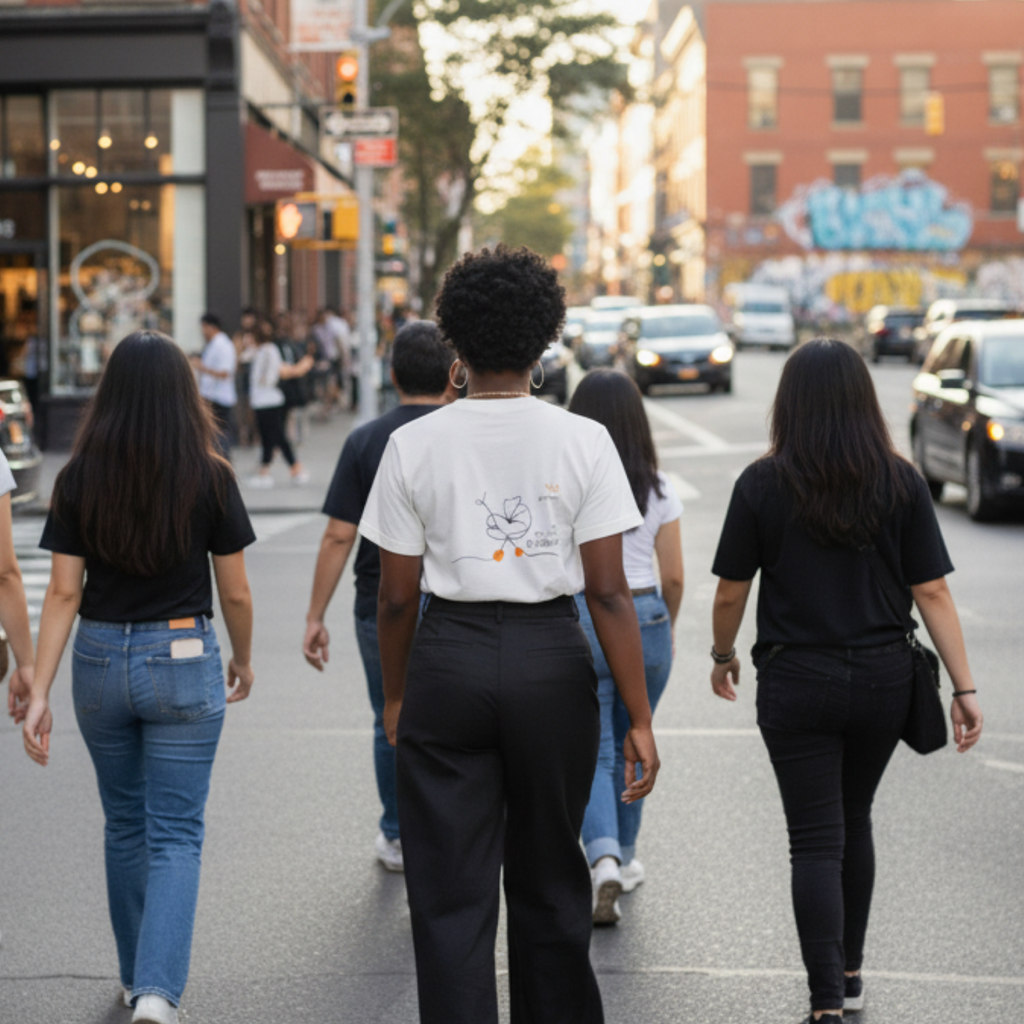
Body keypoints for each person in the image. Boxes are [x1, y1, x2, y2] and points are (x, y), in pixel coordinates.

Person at [359, 245, 661, 1024]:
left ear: (456, 342)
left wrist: (397, 696)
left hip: (448, 658)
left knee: (450, 893)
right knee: (550, 879)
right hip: (551, 663)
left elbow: (395, 599)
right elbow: (608, 591)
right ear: (544, 340)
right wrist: (639, 715)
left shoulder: (410, 445)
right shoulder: (582, 440)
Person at [708, 339, 983, 1024]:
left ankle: (826, 999)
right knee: (852, 817)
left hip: (797, 678)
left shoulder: (762, 484)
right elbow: (933, 593)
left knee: (814, 836)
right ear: (865, 400)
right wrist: (965, 688)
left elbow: (730, 592)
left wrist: (722, 654)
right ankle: (851, 972)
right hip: (885, 679)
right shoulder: (900, 481)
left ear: (789, 404)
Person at [21, 331, 257, 1024]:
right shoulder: (210, 474)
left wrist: (37, 688)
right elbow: (236, 591)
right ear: (185, 393)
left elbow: (62, 593)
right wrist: (242, 658)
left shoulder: (78, 476)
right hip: (182, 657)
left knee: (124, 824)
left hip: (97, 660)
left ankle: (134, 979)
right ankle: (158, 992)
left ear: (110, 393)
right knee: (176, 831)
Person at [303, 321, 457, 871]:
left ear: (391, 376)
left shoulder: (366, 440)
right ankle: (449, 829)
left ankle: (396, 834)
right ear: (451, 373)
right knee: (452, 722)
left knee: (387, 717)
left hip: (378, 601)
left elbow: (338, 534)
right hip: (453, 604)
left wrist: (315, 615)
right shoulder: (459, 432)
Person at [567, 369, 683, 924]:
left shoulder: (569, 480)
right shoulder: (658, 487)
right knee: (637, 737)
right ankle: (628, 857)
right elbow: (676, 576)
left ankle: (603, 857)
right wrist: (666, 625)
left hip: (588, 614)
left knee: (596, 748)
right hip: (648, 615)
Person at [248, 318, 313, 488]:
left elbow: (271, 376)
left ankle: (294, 468)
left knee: (276, 436)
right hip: (263, 400)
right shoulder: (260, 351)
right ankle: (267, 471)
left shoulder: (268, 351)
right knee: (269, 437)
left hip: (268, 400)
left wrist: (263, 380)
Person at [193, 313, 237, 458]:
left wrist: (202, 367)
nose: (203, 331)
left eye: (204, 327)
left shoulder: (223, 345)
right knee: (213, 436)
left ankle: (223, 468)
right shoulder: (213, 344)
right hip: (211, 395)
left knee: (220, 436)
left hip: (220, 397)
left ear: (211, 327)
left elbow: (225, 373)